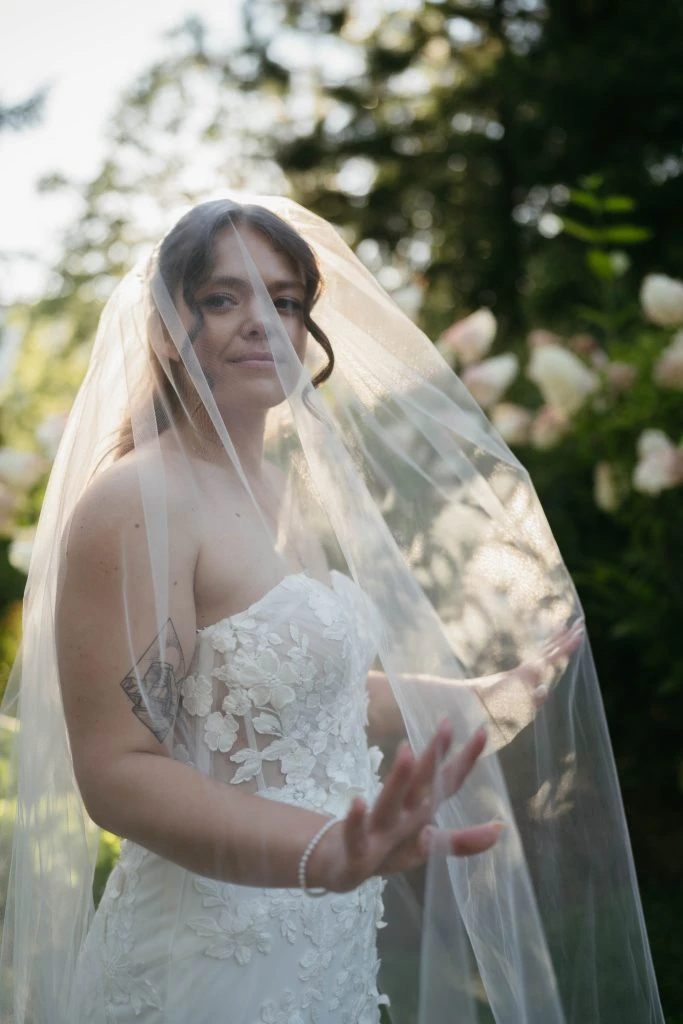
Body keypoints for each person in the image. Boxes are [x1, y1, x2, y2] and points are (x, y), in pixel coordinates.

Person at [0, 197, 664, 1024]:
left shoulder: (278, 492)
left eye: (283, 300)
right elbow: (119, 771)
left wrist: (469, 697)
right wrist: (323, 849)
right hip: (204, 957)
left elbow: (286, 688)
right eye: (221, 297)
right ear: (167, 327)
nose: (261, 321)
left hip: (324, 936)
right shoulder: (137, 501)